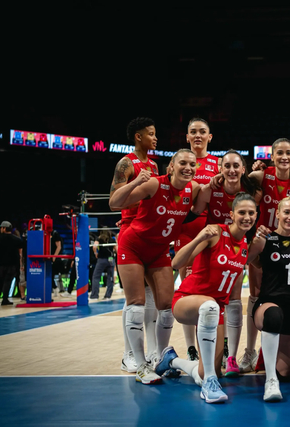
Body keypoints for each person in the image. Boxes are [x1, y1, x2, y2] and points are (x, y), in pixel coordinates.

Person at [109, 148, 208, 385]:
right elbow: (114, 203)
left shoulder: (194, 189)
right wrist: (136, 183)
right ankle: (141, 365)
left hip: (159, 250)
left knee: (166, 308)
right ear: (171, 166)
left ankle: (160, 358)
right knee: (136, 305)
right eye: (183, 163)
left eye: (192, 165)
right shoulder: (154, 184)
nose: (188, 168)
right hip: (133, 246)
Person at [154, 193, 263, 403]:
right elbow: (176, 263)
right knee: (210, 306)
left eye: (251, 213)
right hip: (187, 300)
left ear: (256, 216)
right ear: (232, 214)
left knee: (209, 371)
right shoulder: (215, 232)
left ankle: (172, 361)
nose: (247, 217)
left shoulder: (245, 247)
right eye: (242, 212)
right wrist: (199, 238)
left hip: (215, 309)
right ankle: (209, 385)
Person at [243, 138, 290, 373]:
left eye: (288, 153)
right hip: (263, 242)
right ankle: (250, 350)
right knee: (256, 294)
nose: (284, 157)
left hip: (286, 243)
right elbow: (239, 187)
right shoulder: (260, 176)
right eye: (279, 153)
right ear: (271, 156)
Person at [201, 149, 262, 376]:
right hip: (213, 250)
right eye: (227, 166)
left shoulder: (252, 191)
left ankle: (232, 357)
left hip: (238, 247)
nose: (232, 170)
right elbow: (194, 212)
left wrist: (260, 169)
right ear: (220, 169)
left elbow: (264, 177)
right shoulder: (210, 189)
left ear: (243, 169)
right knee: (212, 302)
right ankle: (207, 353)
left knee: (234, 300)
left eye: (236, 166)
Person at [109, 117, 161, 374]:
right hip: (131, 230)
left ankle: (151, 351)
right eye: (151, 134)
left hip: (150, 231)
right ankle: (128, 354)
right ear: (138, 136)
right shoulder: (126, 163)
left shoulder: (154, 164)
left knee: (151, 296)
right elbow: (116, 200)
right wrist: (137, 182)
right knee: (134, 299)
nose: (155, 138)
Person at [250, 197, 290, 401]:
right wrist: (254, 239)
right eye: (287, 212)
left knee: (287, 373)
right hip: (268, 305)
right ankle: (270, 380)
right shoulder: (265, 239)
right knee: (274, 316)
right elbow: (248, 259)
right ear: (277, 213)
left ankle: (269, 352)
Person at [174, 118, 220, 363]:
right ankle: (191, 347)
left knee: (213, 288)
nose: (198, 135)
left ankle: (217, 344)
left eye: (203, 132)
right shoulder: (180, 161)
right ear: (187, 137)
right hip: (185, 232)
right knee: (187, 289)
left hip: (210, 232)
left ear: (210, 137)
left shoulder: (218, 164)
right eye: (193, 132)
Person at [0, 221, 23, 306]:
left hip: (0, 264)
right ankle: (5, 299)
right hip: (12, 265)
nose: (0, 229)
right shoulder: (17, 239)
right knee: (7, 282)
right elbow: (20, 253)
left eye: (1, 228)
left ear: (4, 228)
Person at [90, 229, 115, 300]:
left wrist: (96, 253)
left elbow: (94, 246)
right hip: (111, 260)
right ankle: (108, 296)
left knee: (96, 277)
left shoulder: (99, 239)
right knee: (110, 278)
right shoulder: (112, 240)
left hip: (101, 260)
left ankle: (94, 296)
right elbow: (117, 249)